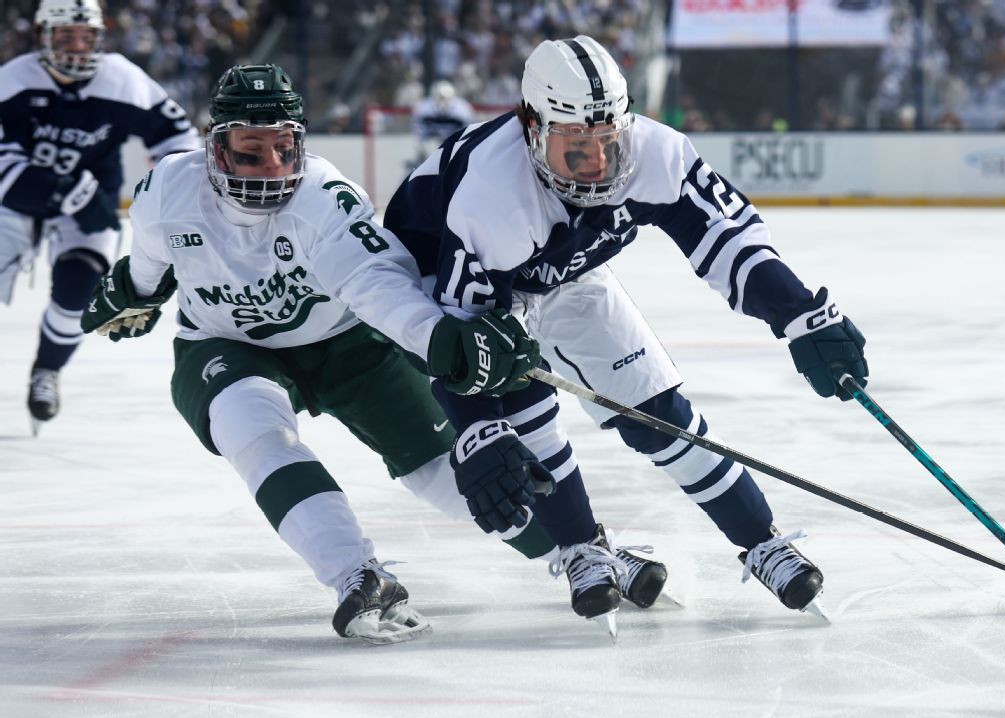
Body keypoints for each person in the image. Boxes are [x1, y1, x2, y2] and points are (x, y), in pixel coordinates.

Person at [80, 63, 663, 643]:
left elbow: (373, 282)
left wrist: (441, 340)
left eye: (284, 148)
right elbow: (148, 270)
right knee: (252, 428)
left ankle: (585, 547)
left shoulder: (324, 199)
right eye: (250, 152)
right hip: (225, 344)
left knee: (449, 478)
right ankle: (356, 575)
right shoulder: (168, 191)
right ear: (215, 148)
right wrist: (129, 292)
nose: (272, 169)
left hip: (348, 342)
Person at [384, 36, 869, 624]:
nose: (596, 165)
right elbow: (464, 344)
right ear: (531, 127)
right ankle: (581, 545)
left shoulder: (656, 153)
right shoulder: (491, 195)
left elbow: (729, 240)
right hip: (456, 282)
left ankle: (760, 539)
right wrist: (478, 431)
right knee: (525, 414)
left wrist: (801, 315)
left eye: (608, 143)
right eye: (575, 148)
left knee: (660, 414)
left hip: (565, 269)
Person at [0, 0, 200, 434]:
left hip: (89, 207)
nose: (77, 45)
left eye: (85, 36)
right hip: (16, 202)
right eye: (65, 35)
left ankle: (47, 371)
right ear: (42, 37)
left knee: (79, 291)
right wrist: (66, 190)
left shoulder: (122, 78)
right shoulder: (13, 79)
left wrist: (174, 193)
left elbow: (178, 139)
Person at [411, 80, 473, 163]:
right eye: (440, 97)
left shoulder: (462, 108)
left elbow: (468, 132)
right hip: (430, 144)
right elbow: (418, 132)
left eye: (445, 98)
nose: (443, 101)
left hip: (454, 144)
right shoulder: (423, 107)